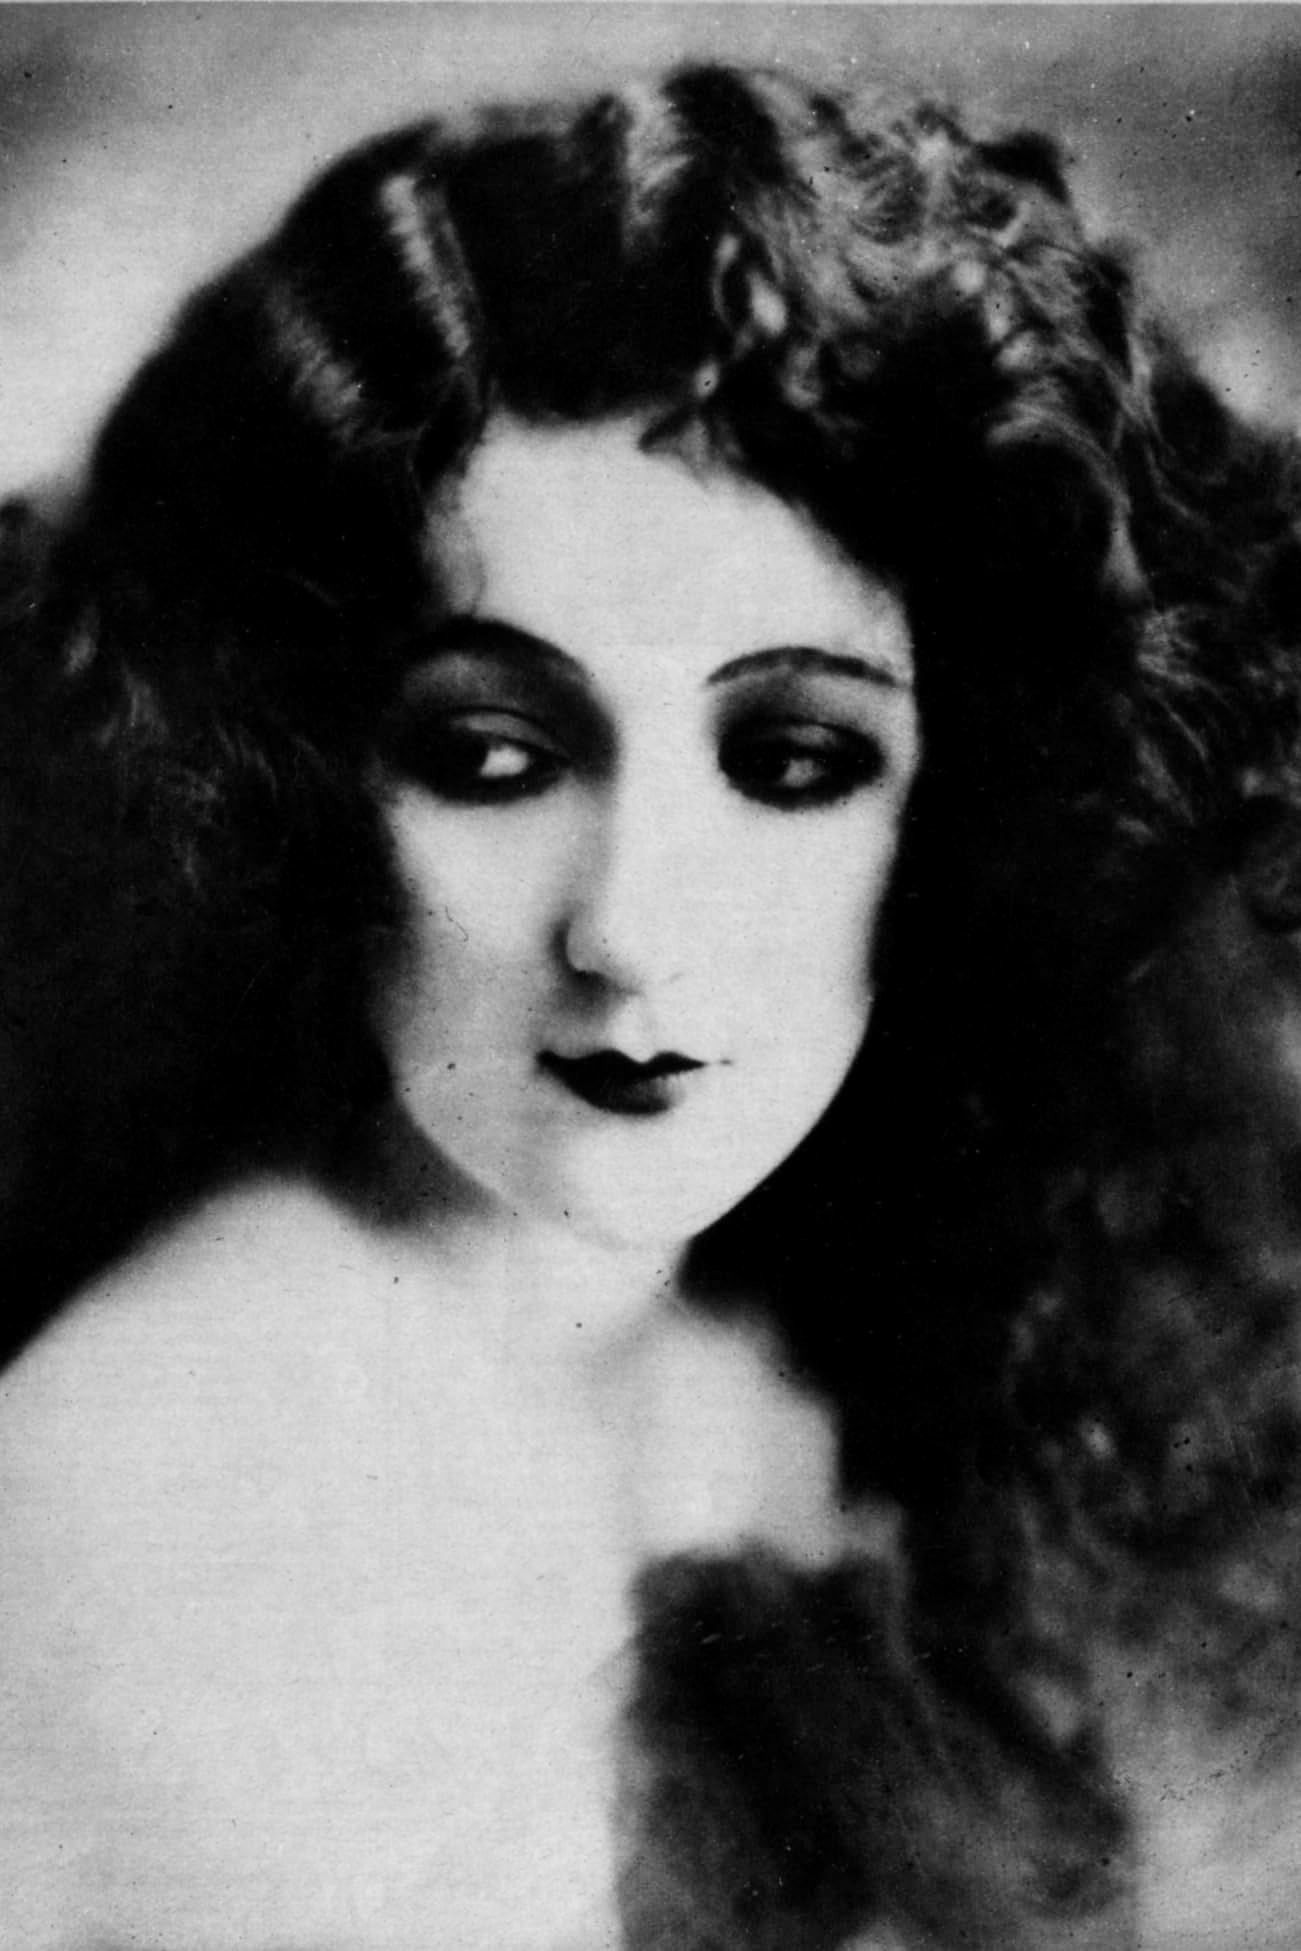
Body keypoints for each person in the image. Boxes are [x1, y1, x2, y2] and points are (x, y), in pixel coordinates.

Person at [1, 59, 1299, 1951]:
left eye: (789, 762)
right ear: (310, 783)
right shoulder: (170, 1492)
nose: (629, 927)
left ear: (959, 817)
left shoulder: (763, 1377)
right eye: (493, 756)